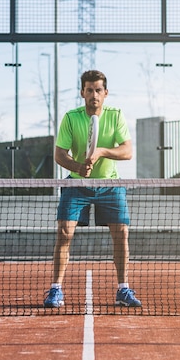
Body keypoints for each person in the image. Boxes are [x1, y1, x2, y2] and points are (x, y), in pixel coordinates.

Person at [43, 70, 141, 308]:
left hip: (110, 185)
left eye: (98, 90)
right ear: (82, 92)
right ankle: (55, 289)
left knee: (121, 234)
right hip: (77, 184)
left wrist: (101, 152)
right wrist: (78, 166)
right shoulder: (71, 118)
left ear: (105, 93)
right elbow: (59, 154)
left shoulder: (115, 115)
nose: (94, 95)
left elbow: (127, 151)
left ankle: (123, 289)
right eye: (89, 90)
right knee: (64, 233)